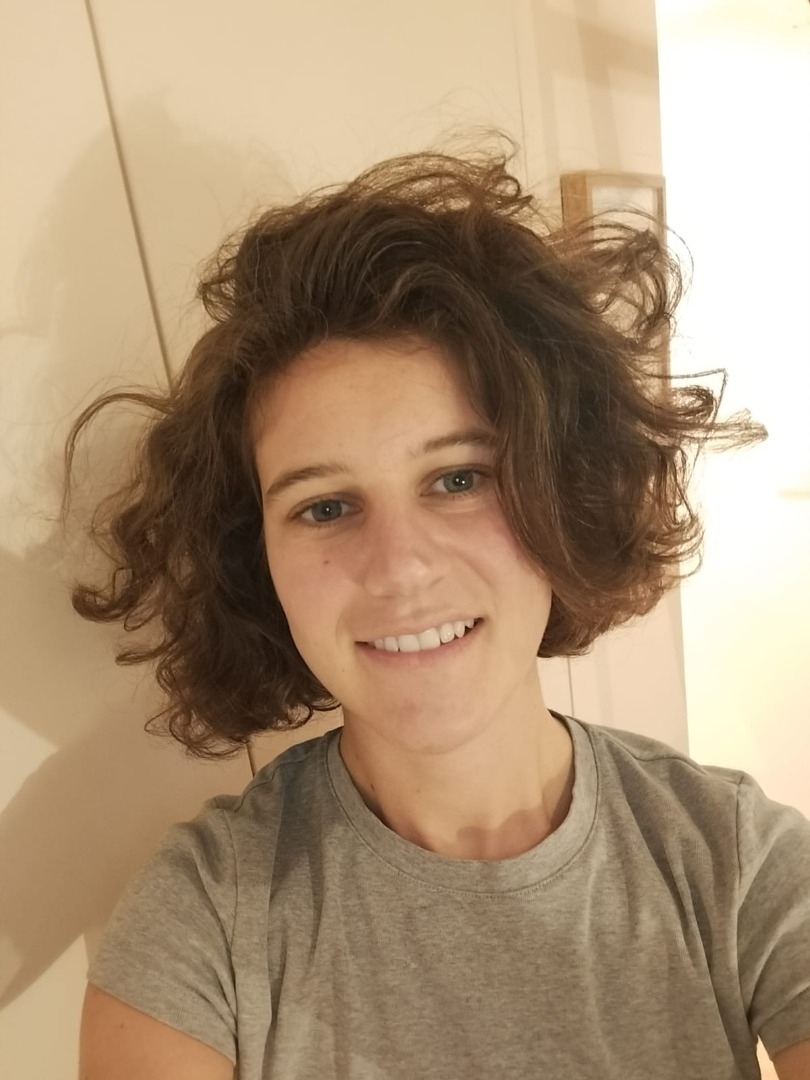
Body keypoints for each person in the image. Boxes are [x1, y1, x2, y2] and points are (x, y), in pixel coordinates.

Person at [67, 139, 810, 1079]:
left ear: (562, 489)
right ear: (256, 562)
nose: (400, 566)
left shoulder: (738, 860)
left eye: (459, 478)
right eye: (324, 506)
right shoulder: (205, 918)